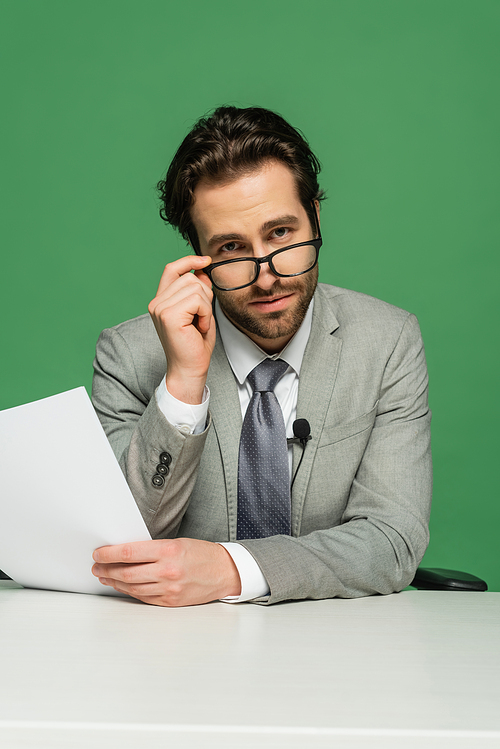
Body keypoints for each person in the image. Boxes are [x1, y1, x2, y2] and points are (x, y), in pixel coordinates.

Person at [91, 106, 432, 607]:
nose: (267, 275)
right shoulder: (128, 355)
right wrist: (183, 383)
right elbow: (124, 543)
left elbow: (392, 539)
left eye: (280, 234)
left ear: (314, 218)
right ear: (198, 259)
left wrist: (231, 569)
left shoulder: (387, 342)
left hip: (337, 646)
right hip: (175, 650)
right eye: (231, 248)